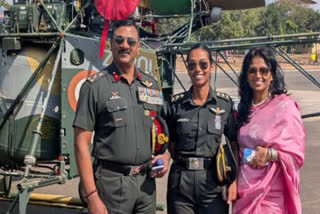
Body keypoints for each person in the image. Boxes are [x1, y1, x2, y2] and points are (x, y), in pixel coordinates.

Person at [73, 20, 170, 214]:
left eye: (131, 42)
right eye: (119, 40)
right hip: (111, 186)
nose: (125, 45)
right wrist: (92, 196)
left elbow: (160, 131)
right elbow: (80, 144)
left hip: (146, 186)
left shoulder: (151, 86)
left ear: (138, 48)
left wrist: (165, 156)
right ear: (111, 44)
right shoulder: (95, 87)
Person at [165, 43, 238, 214]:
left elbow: (234, 145)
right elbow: (170, 145)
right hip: (181, 185)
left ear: (212, 67)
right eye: (192, 65)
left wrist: (233, 180)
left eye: (203, 64)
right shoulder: (177, 106)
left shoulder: (224, 105)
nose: (198, 69)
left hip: (213, 183)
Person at [233, 47, 306, 214]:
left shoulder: (285, 108)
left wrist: (271, 154)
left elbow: (296, 154)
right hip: (244, 195)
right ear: (246, 76)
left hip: (272, 196)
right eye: (252, 71)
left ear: (272, 75)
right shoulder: (243, 109)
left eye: (264, 70)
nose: (258, 75)